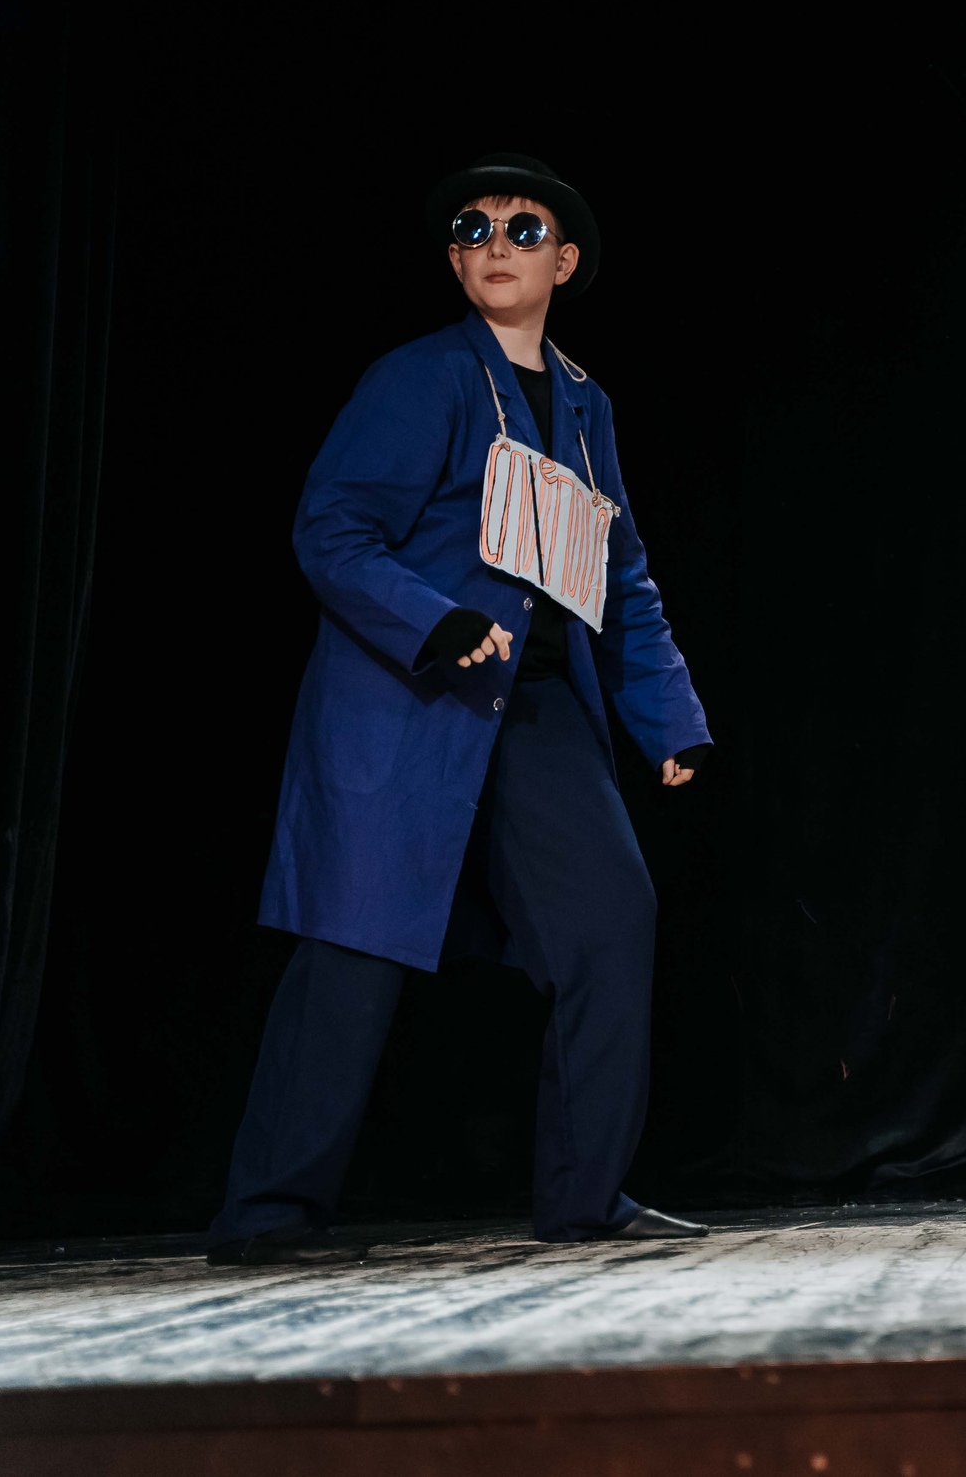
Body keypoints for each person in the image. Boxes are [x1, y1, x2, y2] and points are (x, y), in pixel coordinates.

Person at [206, 153, 714, 1264]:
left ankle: (586, 1197)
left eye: (522, 230)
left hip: (534, 704)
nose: (495, 245)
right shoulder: (421, 377)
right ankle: (270, 1213)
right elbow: (332, 529)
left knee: (610, 920)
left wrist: (667, 716)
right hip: (409, 692)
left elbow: (619, 571)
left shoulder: (584, 403)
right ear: (452, 259)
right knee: (357, 938)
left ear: (563, 263)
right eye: (472, 229)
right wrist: (429, 619)